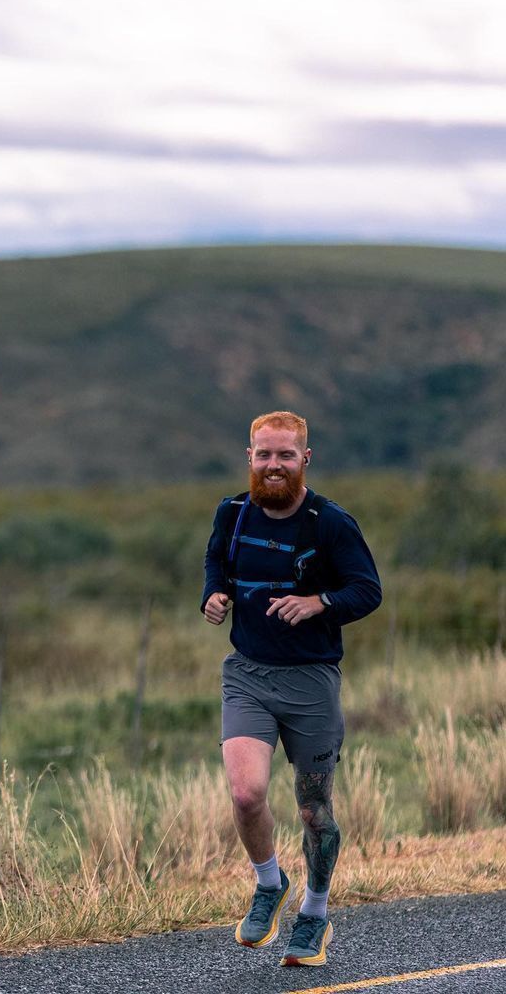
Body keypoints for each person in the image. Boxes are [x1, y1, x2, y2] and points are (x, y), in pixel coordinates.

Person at [201, 411, 381, 967]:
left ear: (306, 459)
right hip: (248, 673)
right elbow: (216, 563)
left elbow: (367, 591)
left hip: (311, 680)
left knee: (314, 812)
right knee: (246, 793)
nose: (273, 465)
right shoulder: (232, 513)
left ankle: (315, 913)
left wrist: (318, 603)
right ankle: (268, 882)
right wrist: (213, 595)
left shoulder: (330, 523)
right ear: (249, 457)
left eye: (285, 455)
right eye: (264, 454)